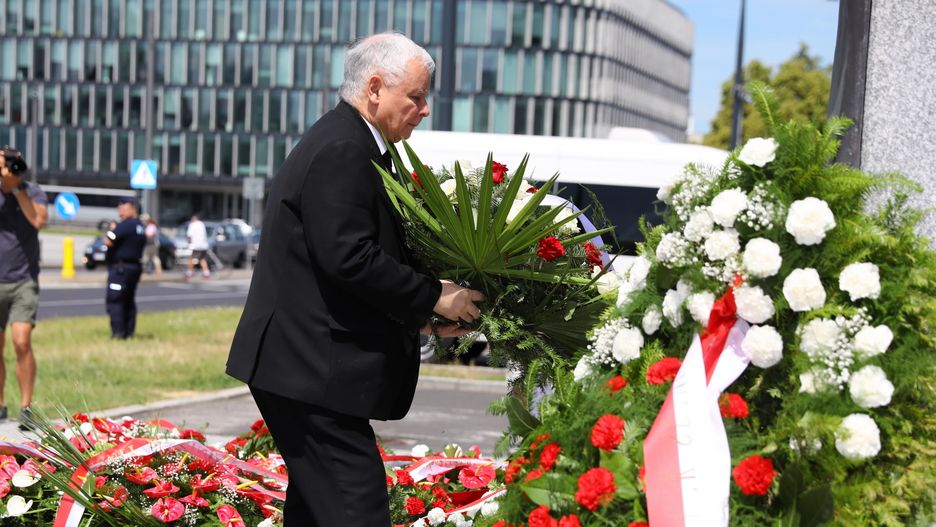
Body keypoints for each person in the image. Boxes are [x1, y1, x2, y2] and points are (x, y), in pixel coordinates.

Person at [226, 33, 484, 526]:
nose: (424, 109)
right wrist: (435, 296)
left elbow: (343, 267)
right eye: (415, 96)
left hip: (308, 369)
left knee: (319, 513)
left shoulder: (348, 141)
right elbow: (349, 258)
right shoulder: (345, 148)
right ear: (373, 88)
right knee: (357, 511)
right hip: (309, 373)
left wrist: (423, 318)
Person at [0, 146, 47, 429]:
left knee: (21, 341)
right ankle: (0, 404)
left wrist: (16, 189)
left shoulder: (32, 191)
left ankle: (26, 407)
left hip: (23, 280)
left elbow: (39, 220)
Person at [104, 197, 146, 339]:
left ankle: (118, 332)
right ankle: (129, 332)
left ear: (133, 209)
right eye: (119, 209)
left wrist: (111, 230)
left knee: (116, 301)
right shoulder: (140, 226)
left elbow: (109, 239)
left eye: (123, 209)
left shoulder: (126, 225)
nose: (120, 212)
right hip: (134, 268)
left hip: (120, 270)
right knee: (129, 301)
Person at [185, 214, 210, 279]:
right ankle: (206, 273)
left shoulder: (192, 225)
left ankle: (189, 273)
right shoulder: (202, 224)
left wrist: (188, 243)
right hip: (203, 245)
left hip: (196, 245)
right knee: (202, 259)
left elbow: (189, 236)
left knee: (192, 259)